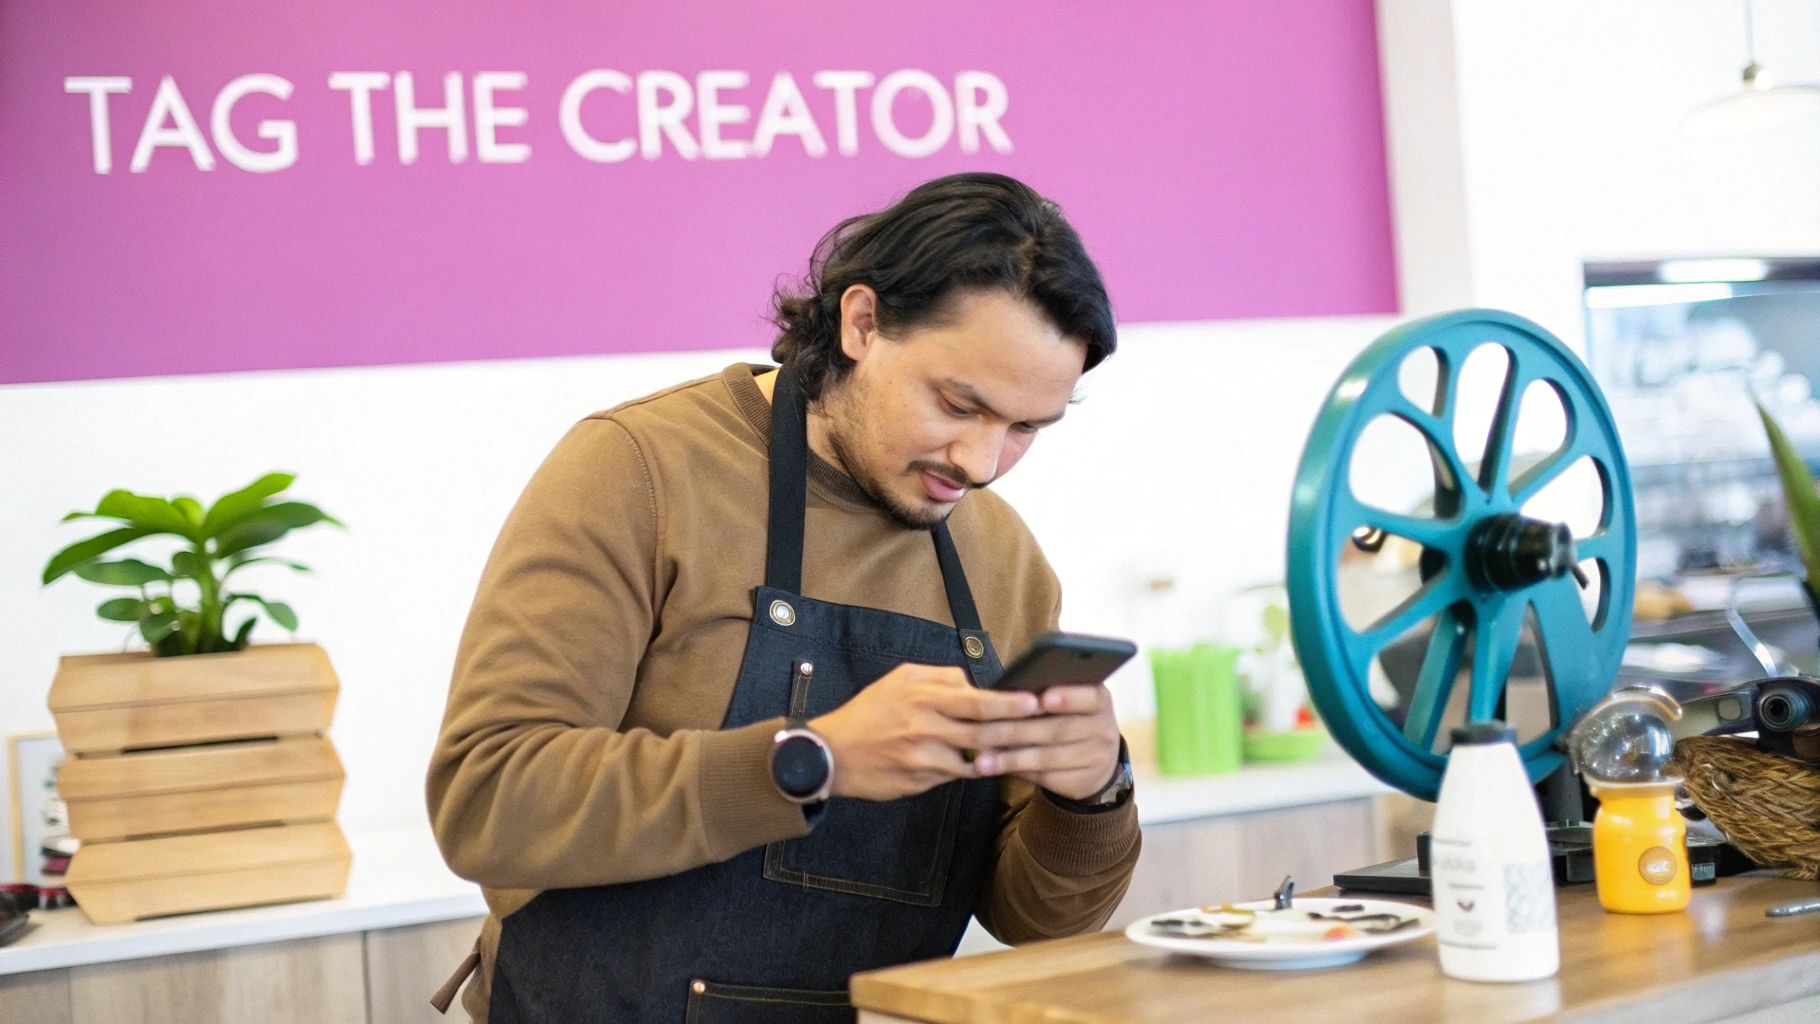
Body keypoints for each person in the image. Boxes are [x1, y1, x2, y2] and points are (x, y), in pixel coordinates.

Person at [426, 172, 1141, 1023]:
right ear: (863, 323)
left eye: (1025, 429)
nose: (980, 463)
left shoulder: (1003, 559)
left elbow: (1036, 920)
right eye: (958, 404)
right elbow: (487, 801)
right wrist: (812, 759)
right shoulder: (639, 470)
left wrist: (1091, 793)